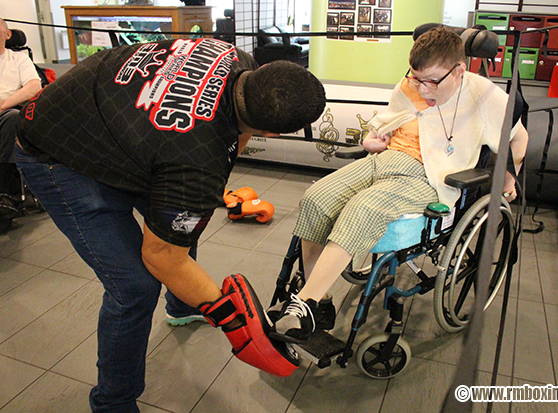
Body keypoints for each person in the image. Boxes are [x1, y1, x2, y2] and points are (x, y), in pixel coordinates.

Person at [15, 37, 325, 412]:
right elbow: (162, 257)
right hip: (56, 152)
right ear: (273, 133)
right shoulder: (194, 160)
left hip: (112, 124)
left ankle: (181, 305)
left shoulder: (233, 57)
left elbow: (217, 154)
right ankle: (113, 404)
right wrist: (231, 320)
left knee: (182, 221)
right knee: (134, 287)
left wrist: (198, 193)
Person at [268, 27, 529, 344]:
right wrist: (374, 139)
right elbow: (391, 118)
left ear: (459, 71)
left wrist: (509, 177)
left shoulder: (484, 97)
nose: (423, 88)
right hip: (385, 159)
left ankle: (304, 304)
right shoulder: (413, 85)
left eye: (432, 81)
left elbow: (519, 136)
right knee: (316, 198)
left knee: (363, 209)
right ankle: (320, 302)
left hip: (430, 176)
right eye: (417, 77)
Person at [0, 17, 42, 233]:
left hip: (7, 112)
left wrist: (3, 105)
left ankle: (7, 194)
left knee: (11, 119)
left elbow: (34, 87)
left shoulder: (18, 59)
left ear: (8, 34)